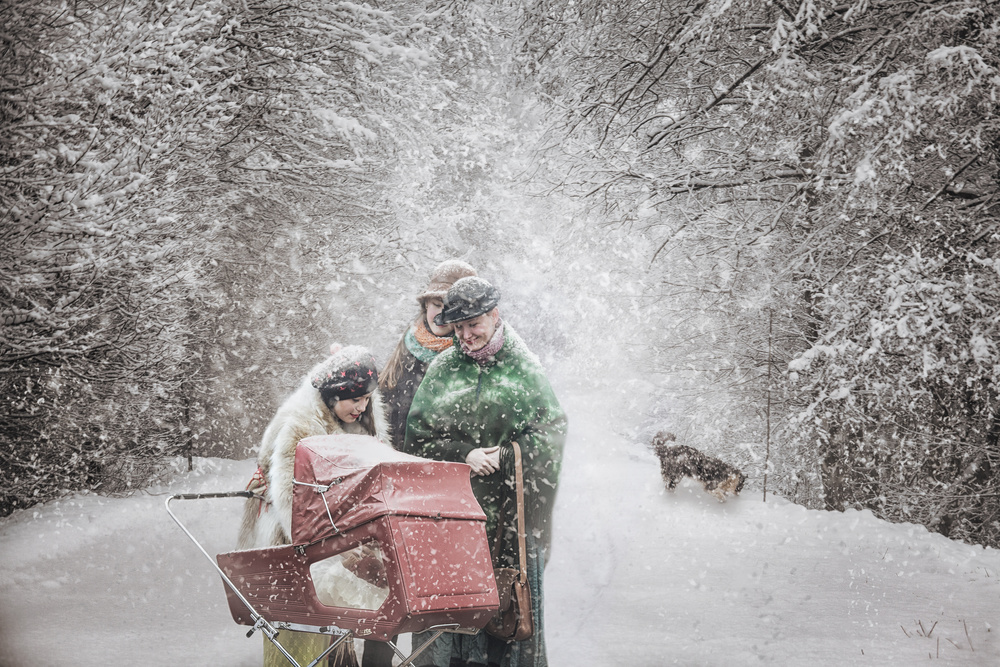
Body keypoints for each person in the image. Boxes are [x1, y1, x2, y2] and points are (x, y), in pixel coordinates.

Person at [404, 277, 567, 667]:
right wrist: (465, 454)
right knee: (449, 625)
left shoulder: (524, 370)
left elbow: (551, 435)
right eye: (458, 327)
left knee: (507, 620)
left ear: (494, 315)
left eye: (473, 324)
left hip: (511, 526)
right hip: (452, 524)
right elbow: (418, 440)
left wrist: (510, 456)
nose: (465, 335)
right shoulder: (443, 369)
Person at [238, 344, 390, 667]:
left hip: (339, 540)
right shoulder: (302, 426)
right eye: (355, 399)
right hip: (296, 543)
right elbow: (290, 500)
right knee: (303, 635)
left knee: (341, 630)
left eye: (366, 399)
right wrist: (331, 545)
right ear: (335, 394)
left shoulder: (361, 422)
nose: (362, 407)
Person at [357, 259, 477, 667]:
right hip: (396, 486)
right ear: (424, 305)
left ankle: (426, 663)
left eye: (450, 304)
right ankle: (376, 659)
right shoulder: (403, 351)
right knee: (389, 581)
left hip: (446, 488)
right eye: (434, 303)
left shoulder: (471, 357)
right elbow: (380, 411)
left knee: (433, 588)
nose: (440, 313)